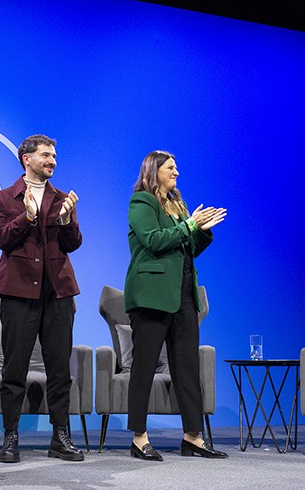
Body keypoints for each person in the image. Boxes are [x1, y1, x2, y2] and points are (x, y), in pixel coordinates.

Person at [124, 150, 228, 461]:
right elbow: (154, 241)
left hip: (183, 294)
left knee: (187, 368)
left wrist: (203, 230)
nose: (177, 173)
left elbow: (188, 247)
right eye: (171, 168)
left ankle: (192, 436)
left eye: (177, 167)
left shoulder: (176, 203)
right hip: (152, 296)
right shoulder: (142, 202)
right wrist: (190, 225)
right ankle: (139, 437)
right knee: (143, 367)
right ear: (154, 171)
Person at [0, 134, 83, 463]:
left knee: (60, 370)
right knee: (14, 369)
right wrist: (27, 217)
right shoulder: (4, 197)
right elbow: (0, 238)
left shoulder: (61, 199)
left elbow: (72, 244)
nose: (53, 160)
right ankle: (11, 437)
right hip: (18, 295)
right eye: (46, 155)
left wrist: (68, 220)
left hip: (57, 294)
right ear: (26, 159)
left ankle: (60, 437)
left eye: (54, 156)